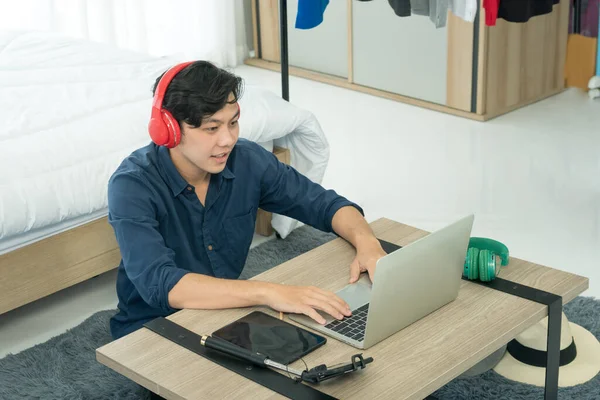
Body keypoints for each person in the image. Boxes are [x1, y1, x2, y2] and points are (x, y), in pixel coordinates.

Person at [107, 60, 387, 340]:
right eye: (211, 128)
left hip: (227, 311)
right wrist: (269, 292)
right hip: (151, 327)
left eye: (233, 123)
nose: (227, 140)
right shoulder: (132, 184)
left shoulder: (248, 160)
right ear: (169, 130)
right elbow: (160, 283)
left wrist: (368, 245)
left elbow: (325, 205)